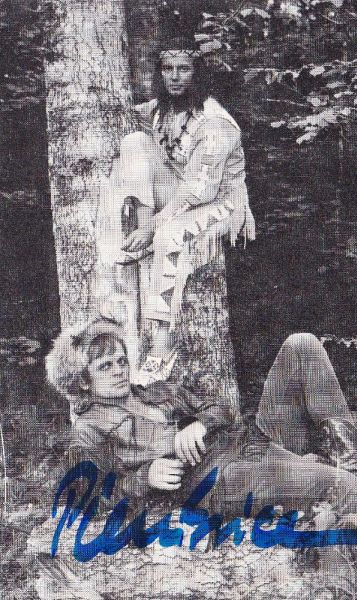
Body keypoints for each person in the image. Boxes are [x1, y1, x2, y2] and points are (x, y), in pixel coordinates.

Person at [46, 320, 357, 600]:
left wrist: (199, 423)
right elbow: (86, 498)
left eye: (122, 360)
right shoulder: (89, 429)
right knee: (340, 486)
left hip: (253, 443)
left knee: (301, 345)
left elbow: (220, 408)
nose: (119, 370)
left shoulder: (155, 391)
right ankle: (341, 585)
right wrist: (145, 476)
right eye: (105, 366)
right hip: (224, 479)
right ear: (82, 380)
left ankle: (352, 467)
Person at [98, 35, 255, 387]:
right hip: (177, 195)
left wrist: (154, 226)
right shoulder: (159, 110)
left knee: (170, 235)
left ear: (198, 73)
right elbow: (132, 120)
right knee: (134, 143)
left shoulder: (215, 122)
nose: (174, 76)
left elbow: (198, 190)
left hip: (219, 200)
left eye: (184, 69)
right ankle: (139, 240)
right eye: (167, 68)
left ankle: (161, 346)